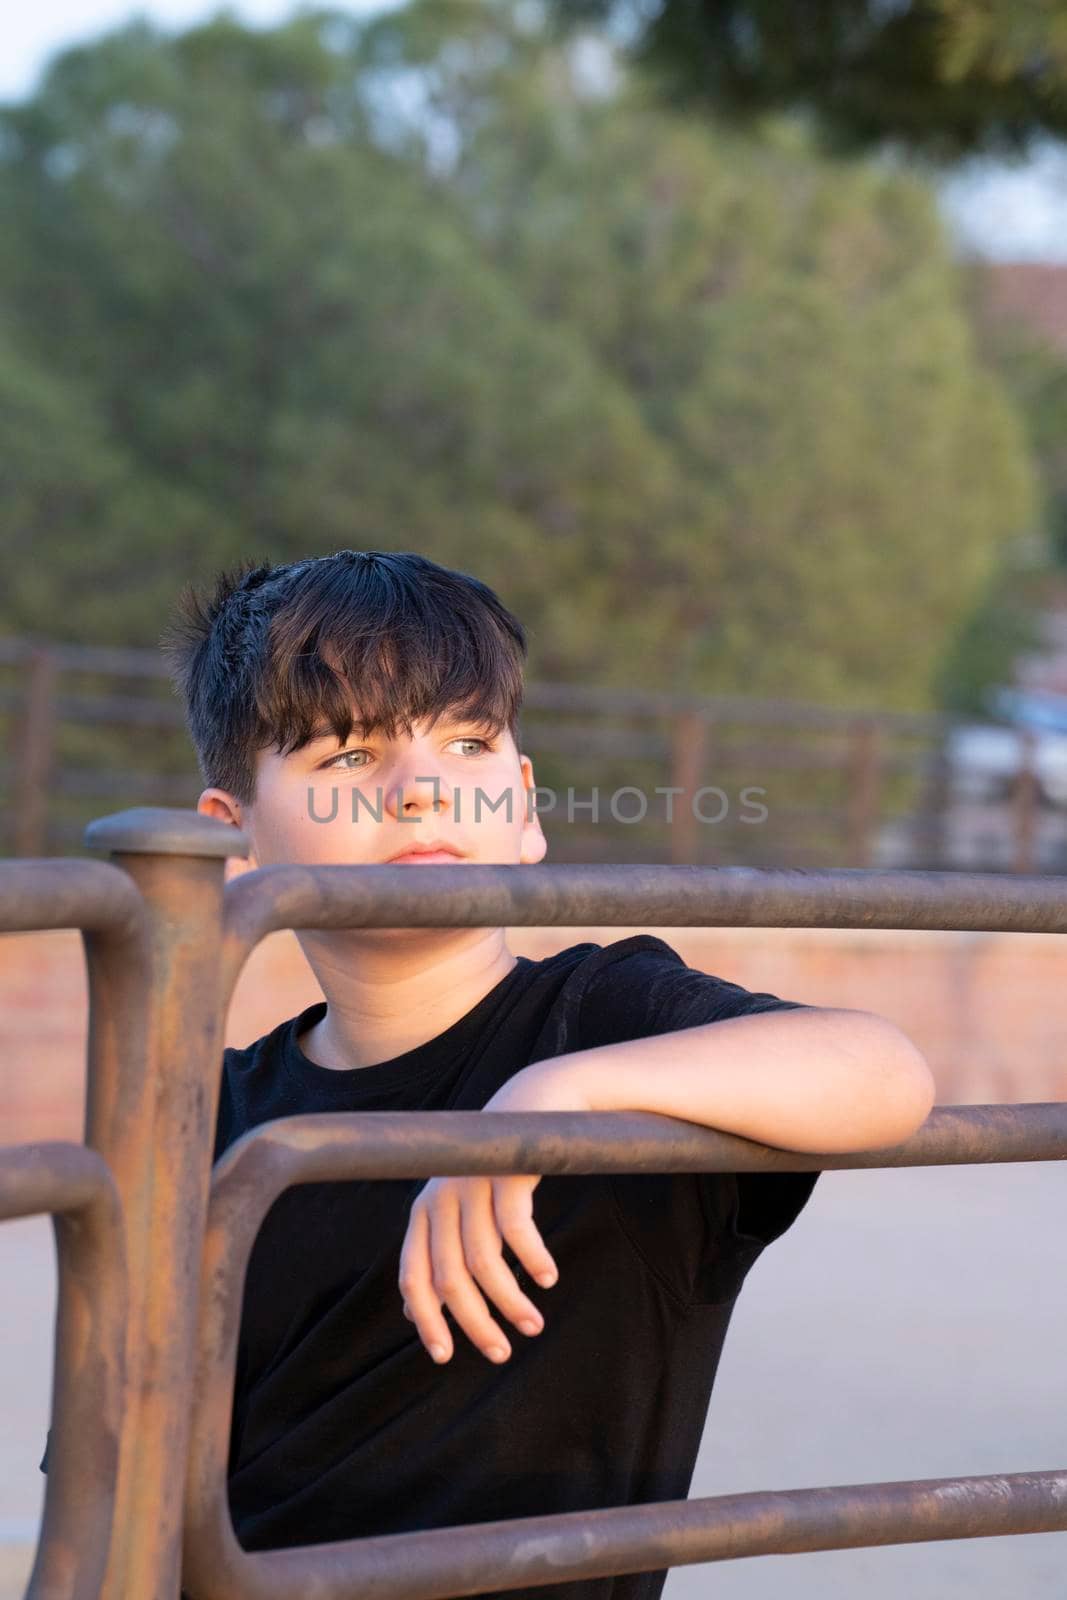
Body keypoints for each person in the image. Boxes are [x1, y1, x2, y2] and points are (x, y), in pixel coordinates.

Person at [40, 549, 935, 1600]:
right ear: (229, 839)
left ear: (521, 804)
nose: (422, 788)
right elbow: (108, 1490)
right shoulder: (201, 1112)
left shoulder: (603, 1024)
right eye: (345, 758)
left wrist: (545, 1106)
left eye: (467, 744)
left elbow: (885, 1071)